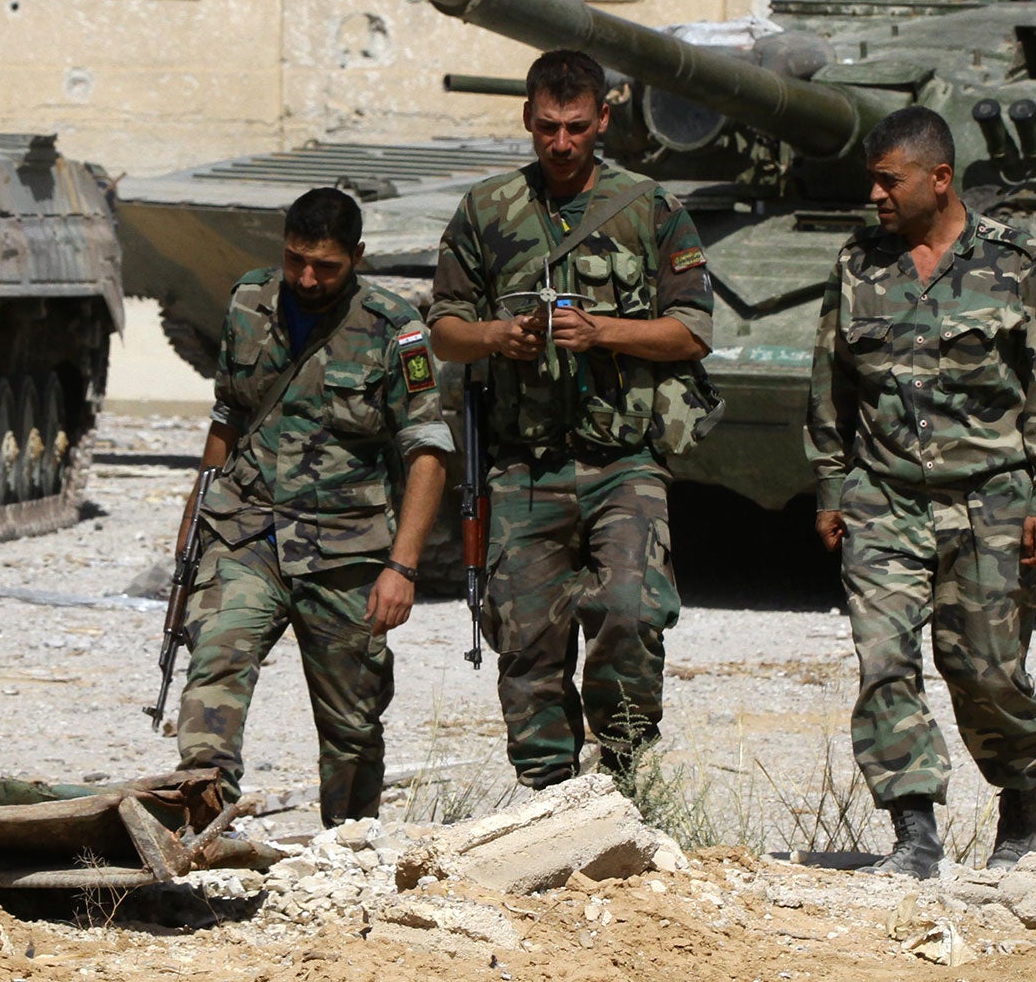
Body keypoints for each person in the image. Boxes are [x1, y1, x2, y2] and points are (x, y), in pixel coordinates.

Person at [807, 104, 1036, 878]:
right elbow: (829, 382)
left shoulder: (1016, 264)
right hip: (884, 496)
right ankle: (915, 832)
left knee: (987, 671)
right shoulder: (857, 264)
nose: (876, 196)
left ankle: (1021, 799)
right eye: (872, 181)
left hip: (991, 498)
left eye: (888, 181)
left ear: (939, 178)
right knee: (884, 659)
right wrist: (831, 484)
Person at [427, 48, 713, 789]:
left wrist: (603, 332)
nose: (560, 143)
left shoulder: (650, 210)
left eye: (576, 127)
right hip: (523, 461)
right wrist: (498, 336)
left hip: (623, 461)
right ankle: (548, 791)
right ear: (527, 118)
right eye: (547, 127)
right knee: (527, 635)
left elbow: (692, 330)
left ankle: (621, 766)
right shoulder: (488, 212)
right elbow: (443, 331)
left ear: (603, 121)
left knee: (630, 608)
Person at [173, 186, 452, 826]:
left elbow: (428, 450)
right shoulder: (249, 302)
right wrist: (195, 519)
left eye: (325, 266)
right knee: (216, 664)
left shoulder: (395, 330)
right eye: (296, 259)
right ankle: (197, 825)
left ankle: (347, 851)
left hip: (345, 552)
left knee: (352, 725)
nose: (307, 277)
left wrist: (403, 568)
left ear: (356, 256)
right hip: (247, 531)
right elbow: (229, 416)